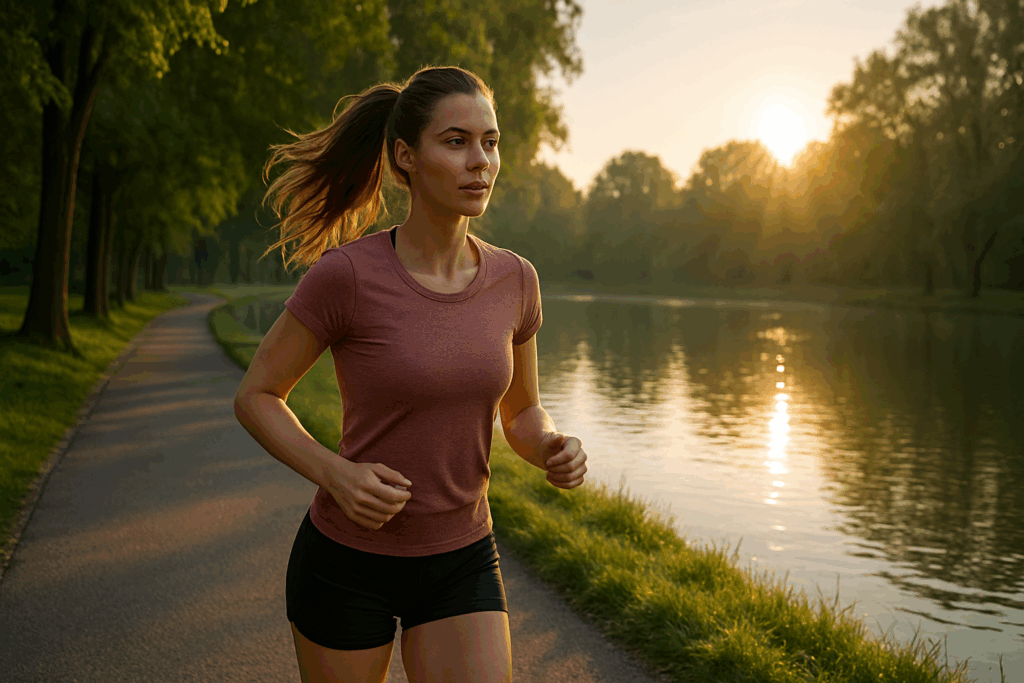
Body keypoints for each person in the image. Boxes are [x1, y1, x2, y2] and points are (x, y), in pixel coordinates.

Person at [233, 65, 589, 683]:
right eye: (456, 142)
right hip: (346, 562)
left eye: (491, 142)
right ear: (406, 157)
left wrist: (552, 445)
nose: (480, 161)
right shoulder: (347, 275)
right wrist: (335, 473)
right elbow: (258, 395)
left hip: (462, 559)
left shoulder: (516, 281)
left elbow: (522, 414)